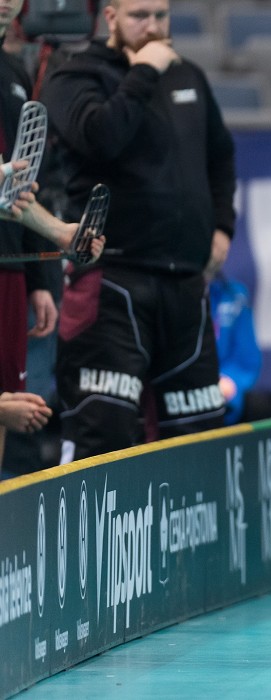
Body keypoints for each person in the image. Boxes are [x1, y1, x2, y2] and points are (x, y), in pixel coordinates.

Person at [39, 0, 237, 461]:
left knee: (197, 434)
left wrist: (222, 227)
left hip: (185, 285)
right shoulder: (76, 75)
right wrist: (143, 71)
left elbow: (221, 158)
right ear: (110, 18)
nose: (152, 27)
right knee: (101, 427)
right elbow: (100, 137)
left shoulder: (187, 74)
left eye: (161, 16)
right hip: (111, 281)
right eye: (139, 16)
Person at [0, 0, 105, 468]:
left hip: (9, 270)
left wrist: (44, 267)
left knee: (8, 417)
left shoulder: (12, 73)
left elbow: (12, 188)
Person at [208, 271, 271, 425]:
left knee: (260, 407)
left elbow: (247, 359)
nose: (225, 247)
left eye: (230, 244)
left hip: (227, 394)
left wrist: (229, 381)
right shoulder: (176, 291)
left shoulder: (235, 295)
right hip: (187, 389)